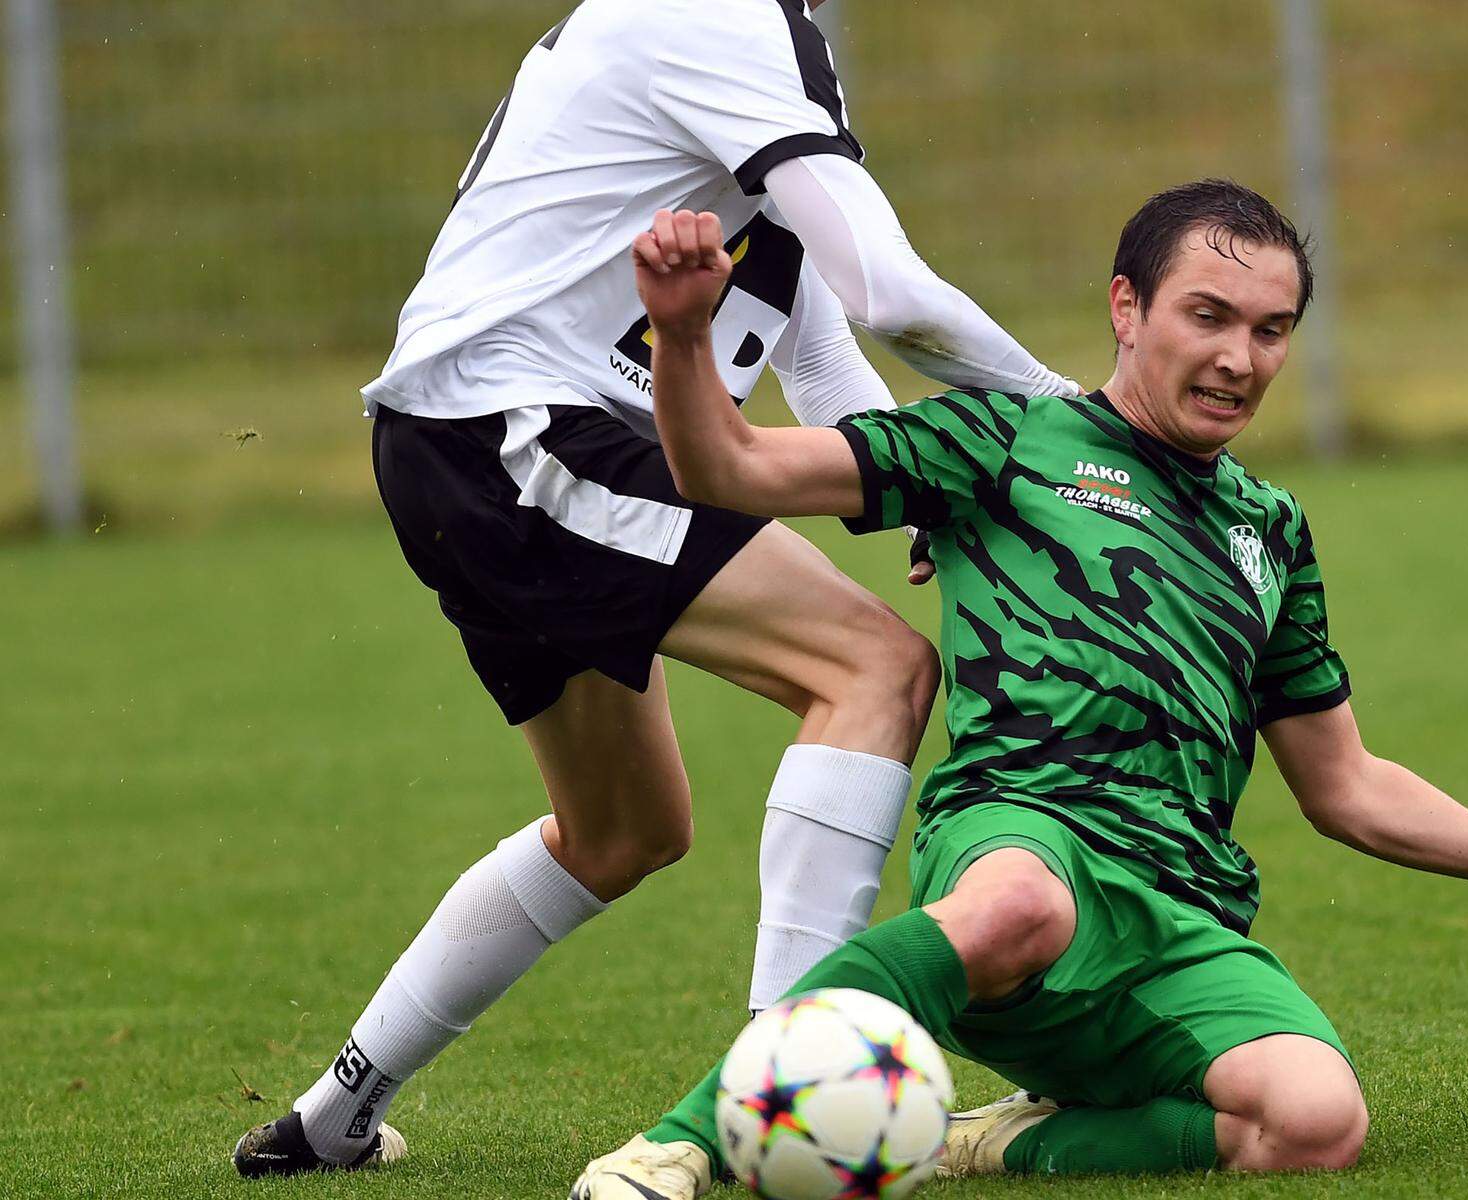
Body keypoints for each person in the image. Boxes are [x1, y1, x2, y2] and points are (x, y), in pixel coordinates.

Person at [566, 182, 1468, 1198]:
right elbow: (730, 467)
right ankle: (677, 1147)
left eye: (1273, 330)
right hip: (1021, 842)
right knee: (1021, 906)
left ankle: (1003, 1146)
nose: (1240, 358)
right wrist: (680, 334)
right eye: (1209, 316)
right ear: (1127, 308)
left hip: (1178, 908)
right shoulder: (1005, 439)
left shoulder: (1271, 530)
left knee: (1317, 1125)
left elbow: (1348, 785)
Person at [231, 0, 1082, 1179]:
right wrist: (1084, 428)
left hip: (460, 440)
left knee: (626, 830)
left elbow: (823, 342)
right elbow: (891, 291)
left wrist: (919, 486)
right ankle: (779, 1096)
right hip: (525, 431)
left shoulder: (739, 36)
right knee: (873, 666)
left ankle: (334, 1115)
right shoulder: (730, 18)